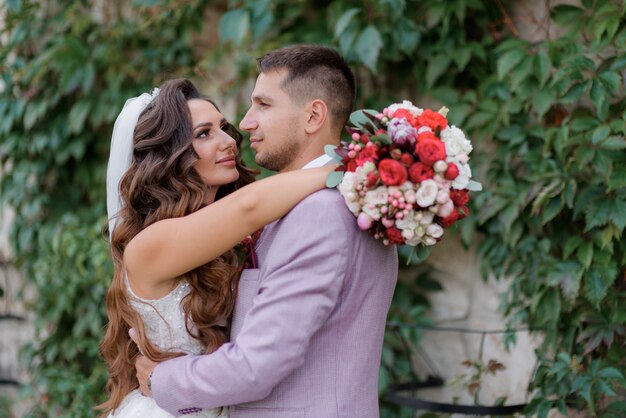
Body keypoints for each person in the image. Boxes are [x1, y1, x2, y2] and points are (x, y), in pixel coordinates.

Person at [134, 45, 399, 417]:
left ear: (313, 116)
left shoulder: (320, 212)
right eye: (204, 133)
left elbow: (256, 365)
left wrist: (163, 379)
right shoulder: (341, 199)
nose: (242, 126)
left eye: (263, 104)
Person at [99, 78, 334, 417]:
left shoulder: (223, 236)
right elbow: (249, 206)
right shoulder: (149, 246)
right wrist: (349, 167)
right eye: (204, 134)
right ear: (170, 156)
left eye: (223, 127)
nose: (228, 141)